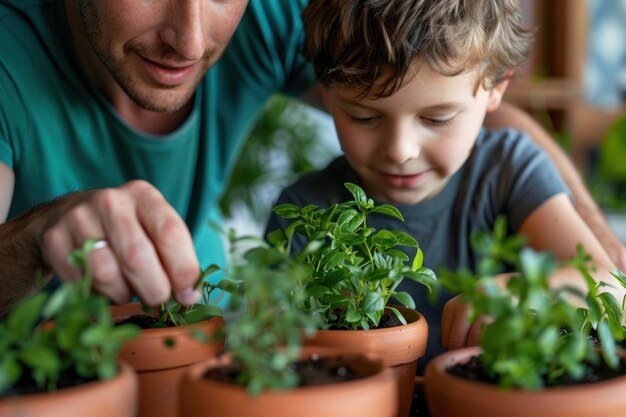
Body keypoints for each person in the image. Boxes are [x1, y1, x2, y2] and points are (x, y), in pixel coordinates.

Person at [0, 0, 623, 317]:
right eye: (361, 116)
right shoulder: (10, 57)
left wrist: (600, 257)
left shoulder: (269, 20)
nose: (189, 38)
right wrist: (35, 239)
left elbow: (471, 107)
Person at [265, 0, 624, 369]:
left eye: (438, 119)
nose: (400, 150)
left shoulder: (507, 171)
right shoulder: (304, 212)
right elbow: (274, 349)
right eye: (364, 116)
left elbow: (609, 285)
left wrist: (520, 294)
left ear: (496, 88)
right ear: (326, 96)